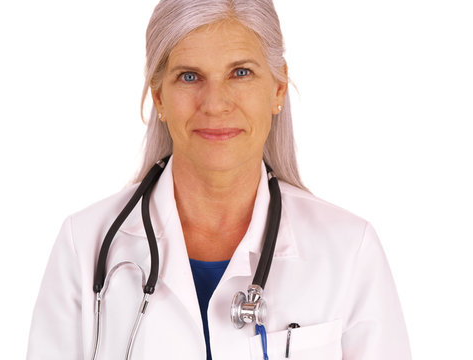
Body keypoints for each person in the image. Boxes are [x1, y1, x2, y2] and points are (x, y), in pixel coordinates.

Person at [27, 0, 410, 358]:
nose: (215, 103)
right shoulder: (85, 245)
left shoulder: (348, 249)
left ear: (277, 89)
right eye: (189, 76)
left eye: (241, 72)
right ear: (158, 96)